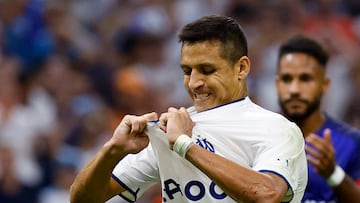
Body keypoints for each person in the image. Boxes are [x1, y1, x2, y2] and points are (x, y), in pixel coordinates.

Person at [70, 14, 307, 203]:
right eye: (187, 71)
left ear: (242, 68)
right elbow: (83, 200)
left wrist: (185, 145)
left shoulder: (276, 129)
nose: (194, 83)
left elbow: (267, 195)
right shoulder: (170, 129)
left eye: (207, 70)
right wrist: (112, 150)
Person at [275, 35, 360, 202]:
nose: (294, 89)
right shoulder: (257, 137)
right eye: (287, 79)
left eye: (305, 79)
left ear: (324, 85)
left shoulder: (352, 142)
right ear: (277, 84)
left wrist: (333, 174)